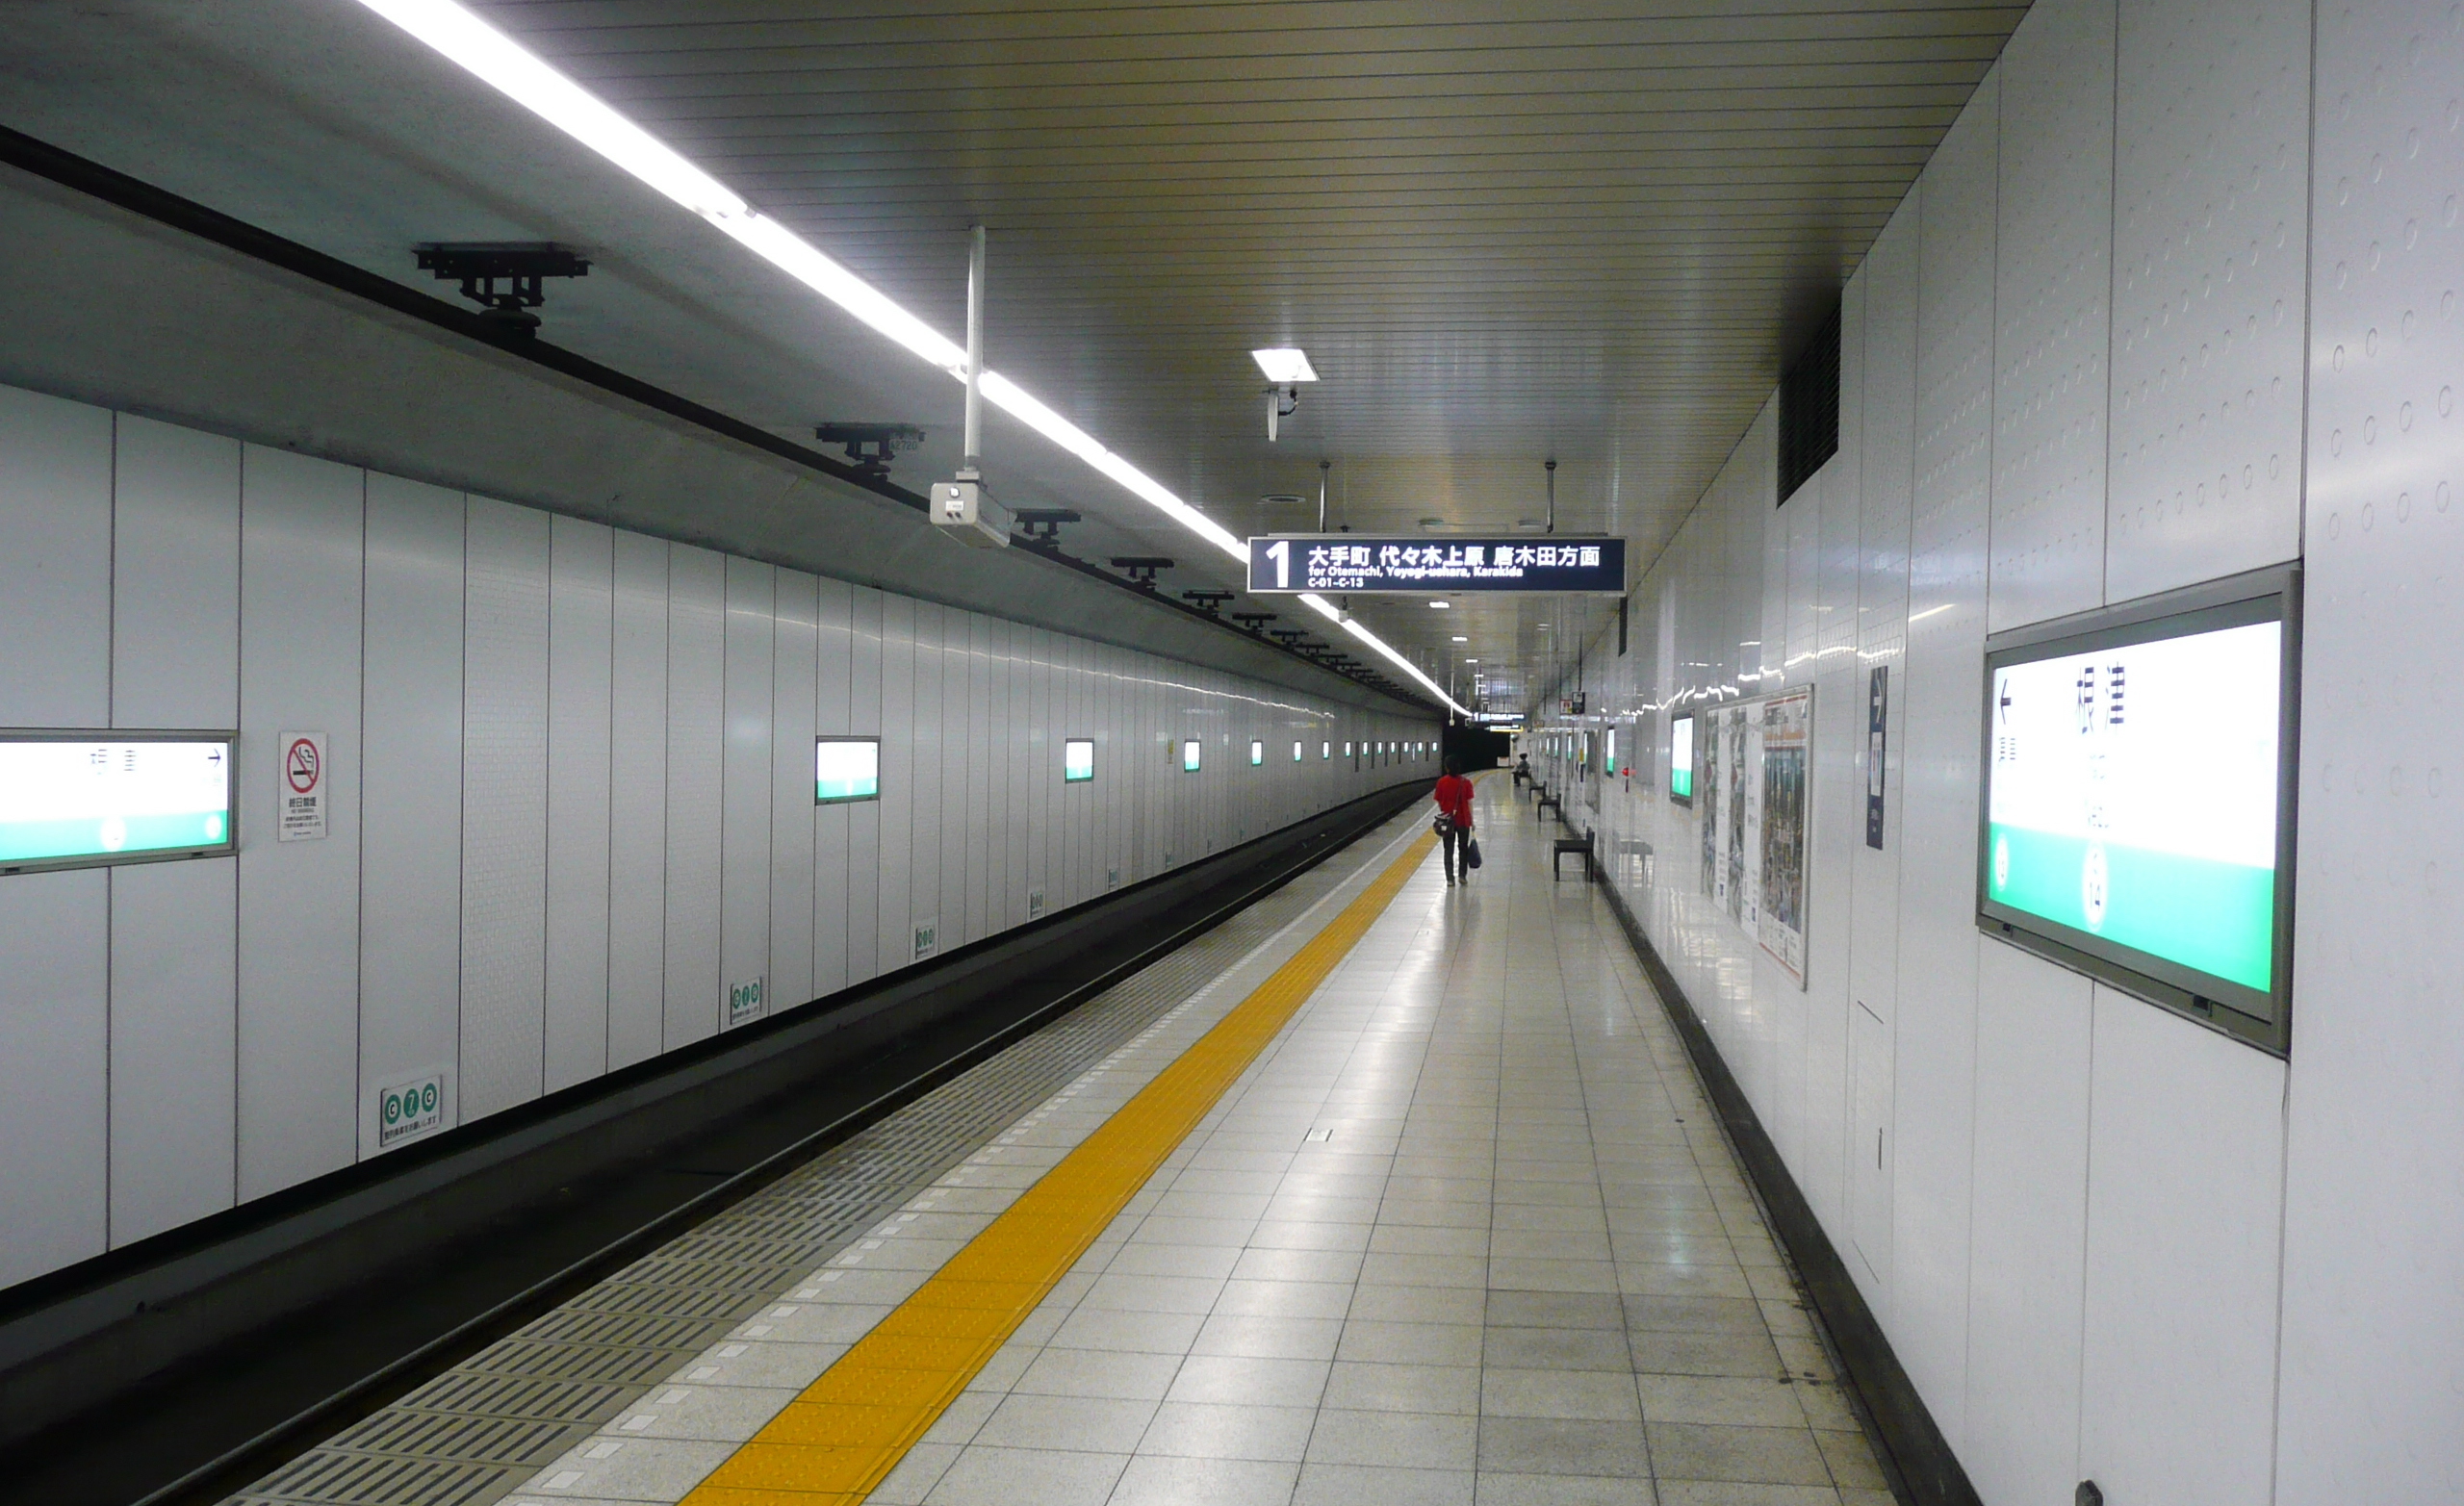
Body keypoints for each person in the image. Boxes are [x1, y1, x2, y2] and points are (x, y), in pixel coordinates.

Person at [1433, 756, 1476, 886]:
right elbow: (1469, 804)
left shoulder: (1441, 782)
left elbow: (1439, 801)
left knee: (1448, 849)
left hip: (1447, 822)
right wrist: (1472, 821)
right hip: (1463, 821)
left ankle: (1450, 879)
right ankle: (1462, 876)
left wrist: (1446, 811)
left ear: (1446, 767)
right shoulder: (1466, 782)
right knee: (1463, 849)